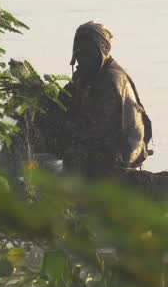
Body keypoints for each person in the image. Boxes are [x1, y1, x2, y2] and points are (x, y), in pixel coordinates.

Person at [61, 21, 152, 178]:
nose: (82, 58)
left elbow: (97, 128)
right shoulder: (87, 74)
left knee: (72, 154)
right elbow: (62, 102)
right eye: (79, 52)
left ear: (100, 51)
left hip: (122, 151)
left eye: (87, 52)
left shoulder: (111, 80)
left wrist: (66, 132)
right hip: (104, 143)